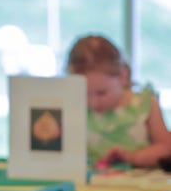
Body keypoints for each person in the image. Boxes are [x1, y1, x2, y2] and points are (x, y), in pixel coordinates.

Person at [66, 34, 171, 168]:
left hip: (138, 185)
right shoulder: (72, 107)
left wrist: (131, 157)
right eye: (84, 93)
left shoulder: (144, 104)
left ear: (123, 76)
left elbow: (166, 148)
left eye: (101, 93)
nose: (93, 103)